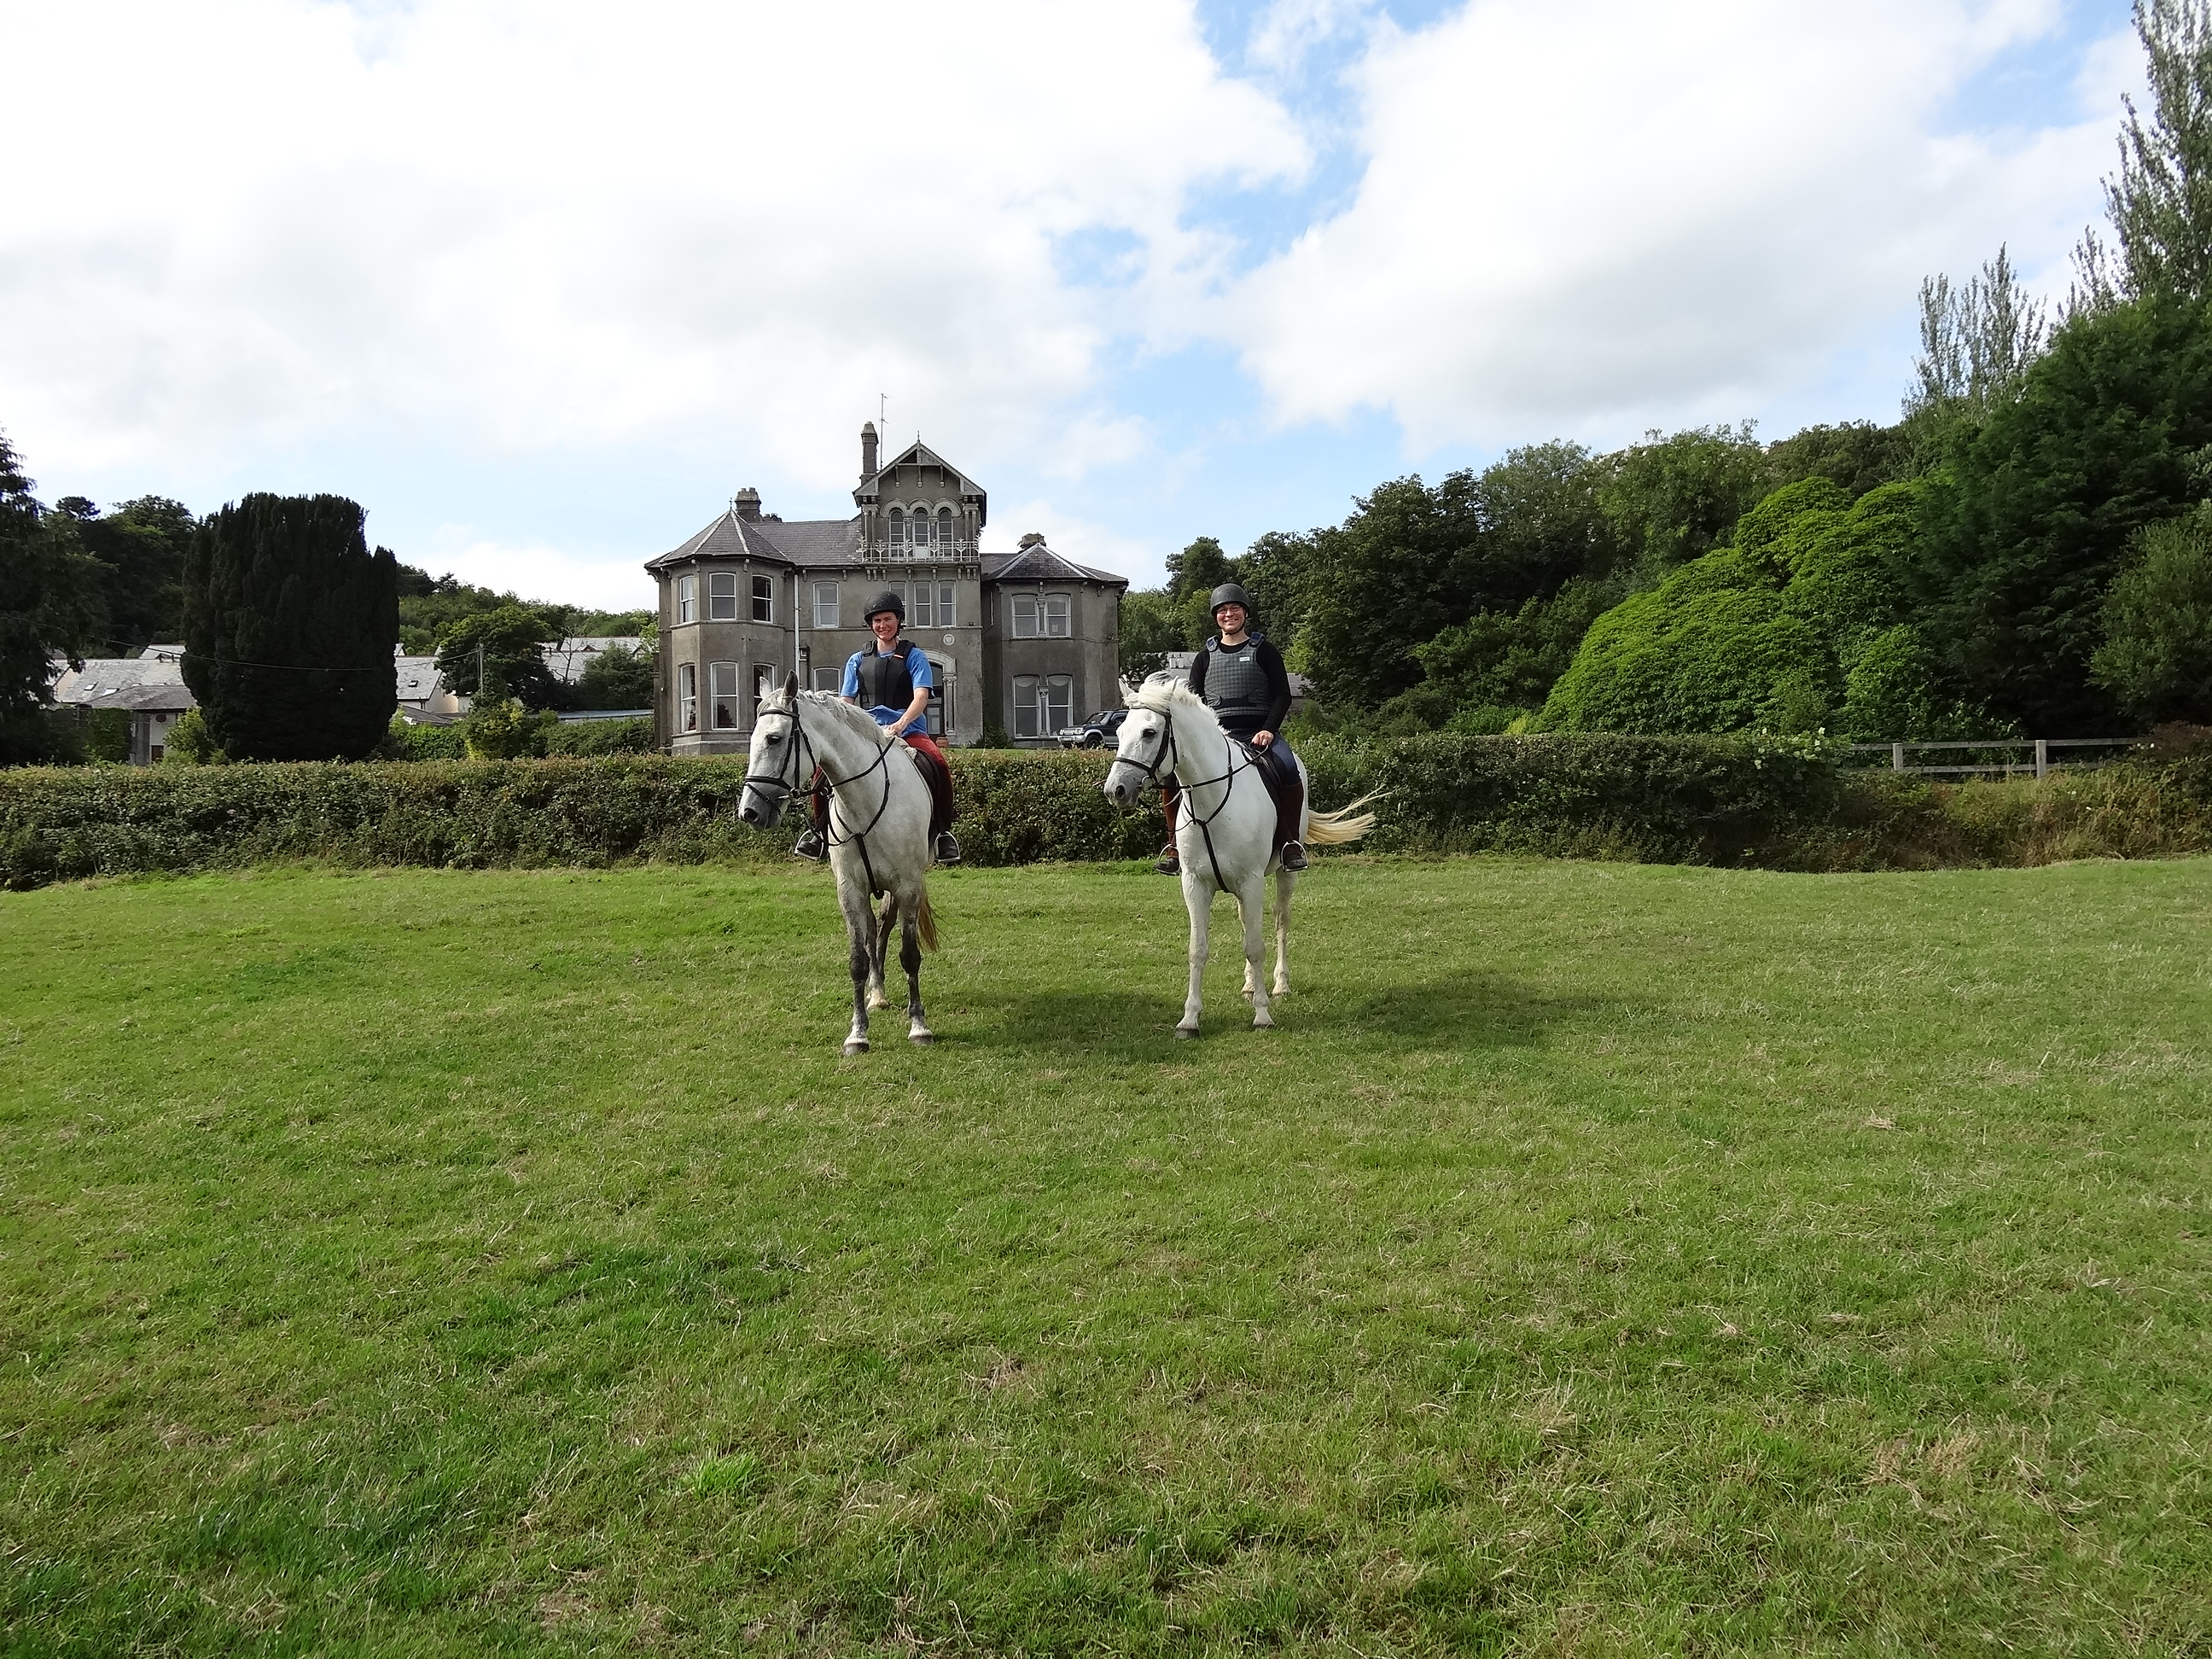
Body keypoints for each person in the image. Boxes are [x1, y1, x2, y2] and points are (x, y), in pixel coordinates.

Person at [793, 591, 961, 864]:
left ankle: (943, 834)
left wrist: (901, 723)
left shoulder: (914, 656)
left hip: (908, 731)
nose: (883, 625)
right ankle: (820, 834)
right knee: (822, 772)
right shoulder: (857, 660)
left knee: (938, 764)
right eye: (877, 621)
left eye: (888, 619)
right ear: (870, 625)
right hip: (866, 732)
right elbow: (846, 701)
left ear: (899, 621)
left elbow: (921, 696)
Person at [1156, 582, 1307, 876]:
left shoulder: (1264, 651)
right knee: (1171, 777)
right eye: (1223, 610)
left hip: (1259, 733)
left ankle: (1290, 842)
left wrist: (1269, 730)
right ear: (1216, 617)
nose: (1229, 614)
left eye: (1234, 608)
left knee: (1288, 767)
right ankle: (1174, 845)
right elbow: (1192, 704)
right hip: (1217, 737)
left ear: (1245, 613)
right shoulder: (1204, 657)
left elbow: (1283, 695)